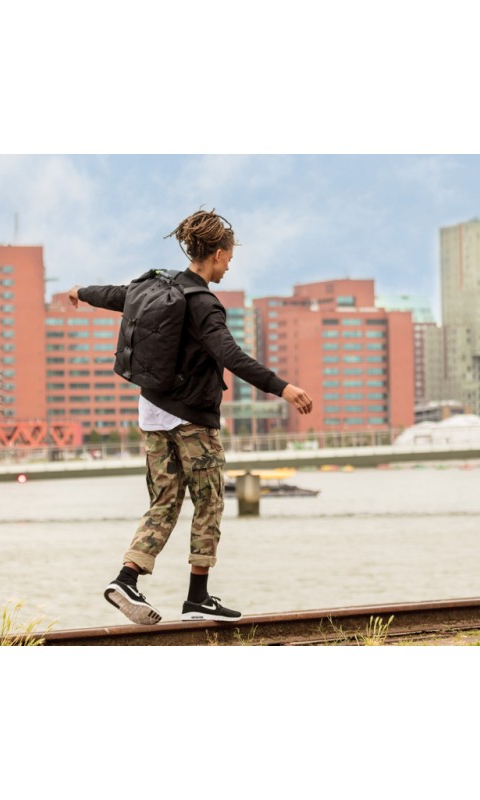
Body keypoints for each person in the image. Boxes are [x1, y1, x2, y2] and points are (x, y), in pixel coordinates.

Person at [68, 209, 313, 625]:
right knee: (209, 502)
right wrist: (282, 387)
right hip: (192, 421)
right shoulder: (203, 304)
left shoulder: (154, 286)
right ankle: (198, 598)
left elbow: (115, 295)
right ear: (217, 254)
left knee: (164, 501)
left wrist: (79, 290)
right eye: (229, 257)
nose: (230, 264)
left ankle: (126, 578)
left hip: (151, 413)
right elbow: (230, 355)